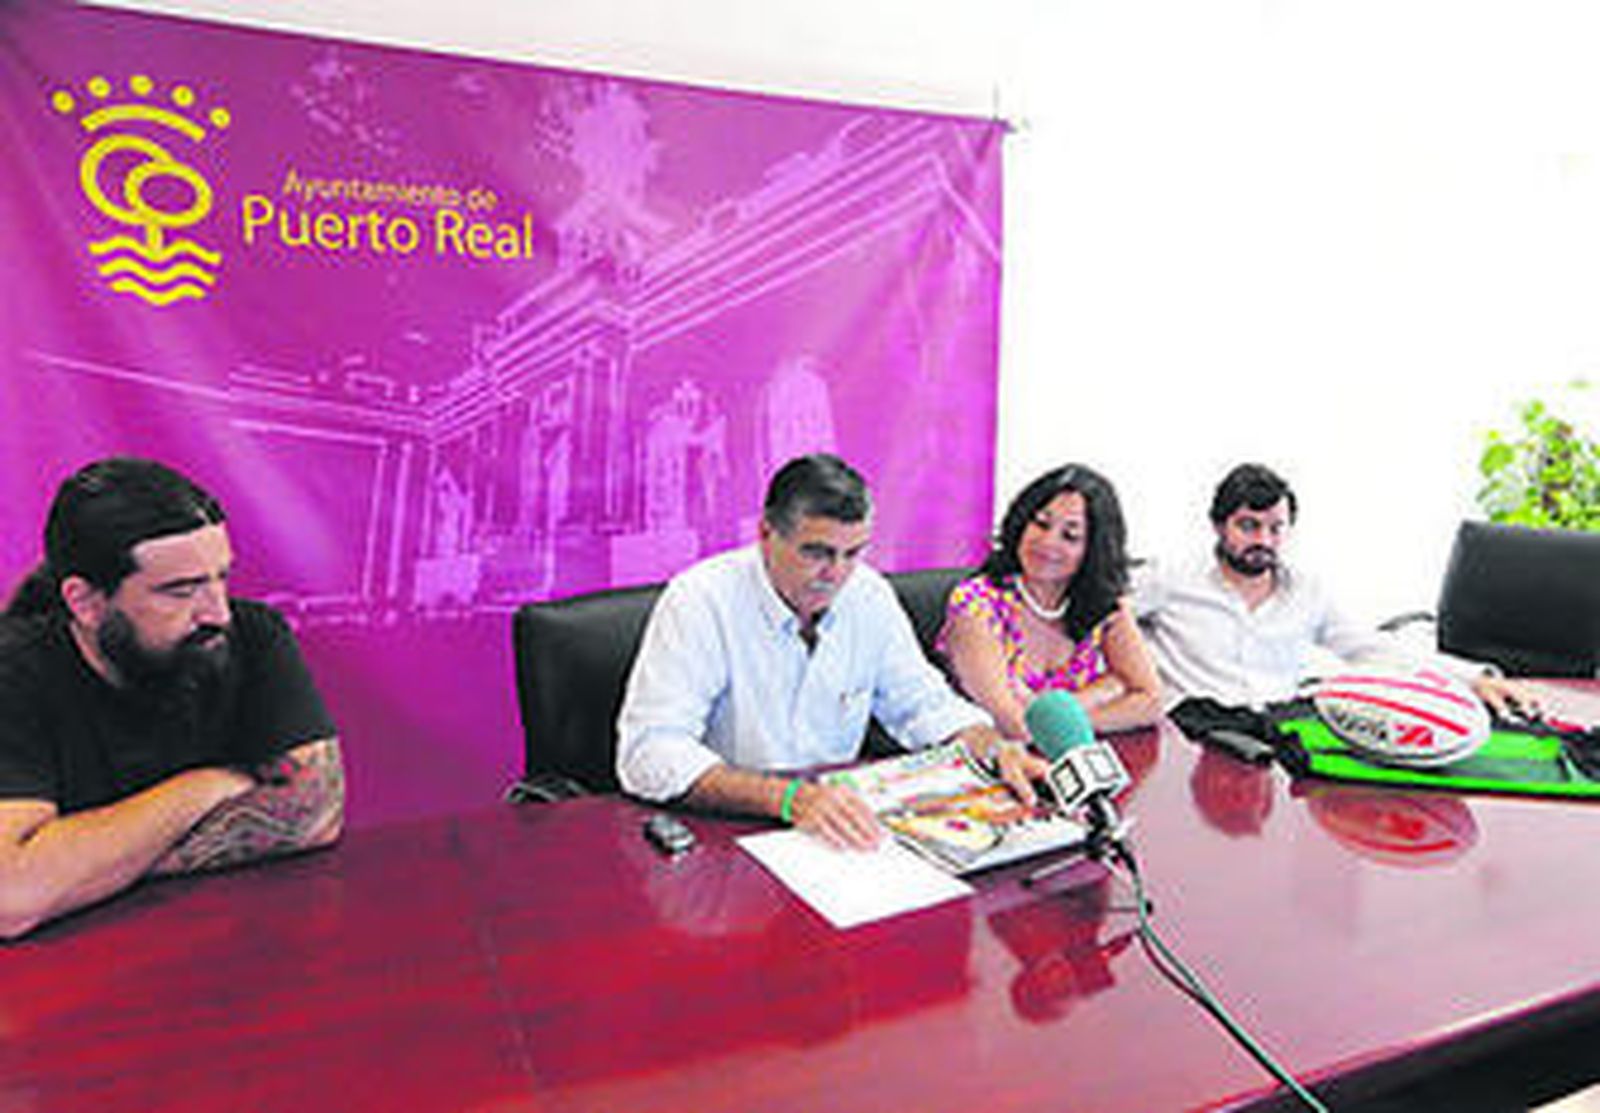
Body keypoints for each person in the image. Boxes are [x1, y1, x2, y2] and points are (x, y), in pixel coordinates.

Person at [616, 453, 1047, 850]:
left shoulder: (868, 594)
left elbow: (922, 704)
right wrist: (788, 798)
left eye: (852, 553)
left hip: (836, 827)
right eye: (817, 553)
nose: (836, 574)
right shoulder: (701, 600)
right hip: (727, 828)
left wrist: (992, 747)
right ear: (766, 534)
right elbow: (650, 752)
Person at [0, 458, 344, 940]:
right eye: (180, 591)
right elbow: (11, 897)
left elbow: (316, 813)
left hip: (229, 940)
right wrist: (207, 785)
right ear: (85, 602)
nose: (217, 613)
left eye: (220, 578)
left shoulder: (254, 635)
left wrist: (79, 867)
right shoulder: (15, 671)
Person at [1131, 462, 1536, 713]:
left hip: (1276, 741)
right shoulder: (1169, 578)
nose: (1264, 541)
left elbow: (1372, 648)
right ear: (1218, 525)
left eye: (1276, 528)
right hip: (1190, 738)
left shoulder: (1307, 591)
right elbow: (1101, 615)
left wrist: (1473, 679)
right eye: (1249, 527)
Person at [938, 464, 1161, 740]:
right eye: (1041, 524)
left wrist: (1070, 716)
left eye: (1070, 536)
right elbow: (1015, 726)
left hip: (1070, 749)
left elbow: (1150, 700)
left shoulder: (1105, 603)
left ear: (1093, 549)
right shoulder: (976, 604)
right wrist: (1106, 690)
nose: (1048, 542)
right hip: (994, 755)